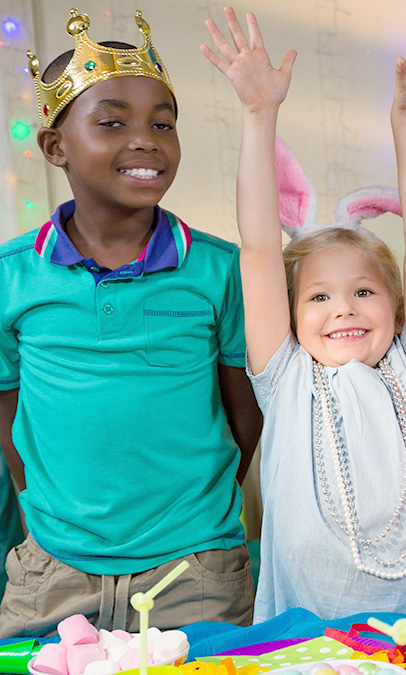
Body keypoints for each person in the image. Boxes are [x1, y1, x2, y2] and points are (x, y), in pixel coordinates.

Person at [0, 9, 261, 636]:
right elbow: (8, 411)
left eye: (163, 124)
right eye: (112, 122)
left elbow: (245, 414)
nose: (146, 139)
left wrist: (198, 521)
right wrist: (41, 514)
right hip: (52, 569)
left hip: (195, 570)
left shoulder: (221, 271)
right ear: (55, 147)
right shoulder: (12, 276)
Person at [202, 7, 406, 620]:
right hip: (309, 637)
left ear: (397, 307)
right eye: (318, 297)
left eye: (365, 292)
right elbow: (260, 247)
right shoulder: (285, 375)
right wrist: (259, 114)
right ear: (289, 314)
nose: (343, 307)